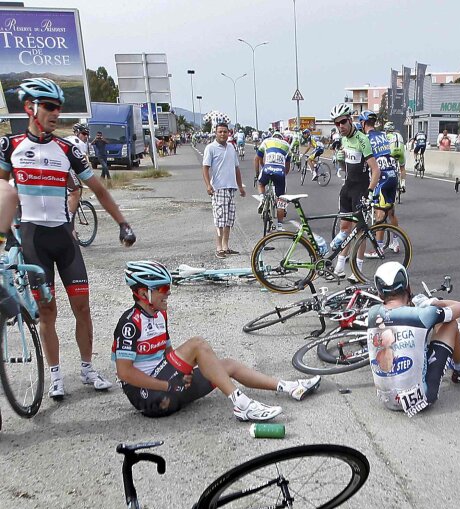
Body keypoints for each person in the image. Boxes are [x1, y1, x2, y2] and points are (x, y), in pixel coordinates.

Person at [0, 78, 136, 401]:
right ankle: (56, 375)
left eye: (58, 108)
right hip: (32, 240)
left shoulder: (67, 149)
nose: (55, 113)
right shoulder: (10, 146)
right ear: (29, 108)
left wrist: (123, 223)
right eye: (49, 107)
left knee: (82, 307)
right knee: (48, 312)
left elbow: (98, 190)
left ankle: (87, 369)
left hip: (63, 238)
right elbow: (1, 190)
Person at [114, 261, 319, 421]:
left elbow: (168, 355)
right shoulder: (130, 323)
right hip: (148, 398)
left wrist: (182, 375)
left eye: (168, 287)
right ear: (143, 293)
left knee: (226, 365)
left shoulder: (160, 315)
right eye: (163, 288)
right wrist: (167, 384)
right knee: (197, 344)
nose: (169, 293)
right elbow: (125, 373)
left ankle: (290, 387)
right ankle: (242, 405)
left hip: (168, 391)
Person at [365, 263, 460, 415]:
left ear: (380, 294)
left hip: (386, 401)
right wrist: (432, 302)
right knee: (449, 323)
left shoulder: (372, 313)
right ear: (408, 288)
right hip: (420, 399)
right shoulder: (422, 314)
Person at [328, 102, 380, 277]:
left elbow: (376, 170)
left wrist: (370, 192)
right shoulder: (343, 139)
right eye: (336, 123)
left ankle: (358, 271)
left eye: (343, 122)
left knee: (360, 232)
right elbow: (346, 167)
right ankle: (339, 267)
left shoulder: (362, 140)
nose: (340, 126)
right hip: (347, 188)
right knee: (344, 229)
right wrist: (340, 161)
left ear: (350, 120)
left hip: (360, 189)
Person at [202, 119, 245, 258]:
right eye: (220, 132)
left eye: (225, 132)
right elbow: (205, 168)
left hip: (231, 188)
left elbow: (236, 168)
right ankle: (219, 247)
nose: (222, 134)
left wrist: (240, 186)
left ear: (229, 133)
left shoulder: (231, 147)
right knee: (220, 220)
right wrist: (208, 185)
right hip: (218, 188)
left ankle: (226, 246)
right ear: (215, 133)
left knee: (229, 220)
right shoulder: (210, 148)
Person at [255, 129, 291, 231]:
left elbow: (257, 158)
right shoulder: (287, 145)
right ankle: (280, 226)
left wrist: (259, 170)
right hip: (280, 172)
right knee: (281, 199)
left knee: (261, 184)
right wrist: (283, 175)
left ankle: (262, 198)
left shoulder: (266, 141)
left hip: (267, 168)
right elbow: (287, 166)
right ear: (281, 138)